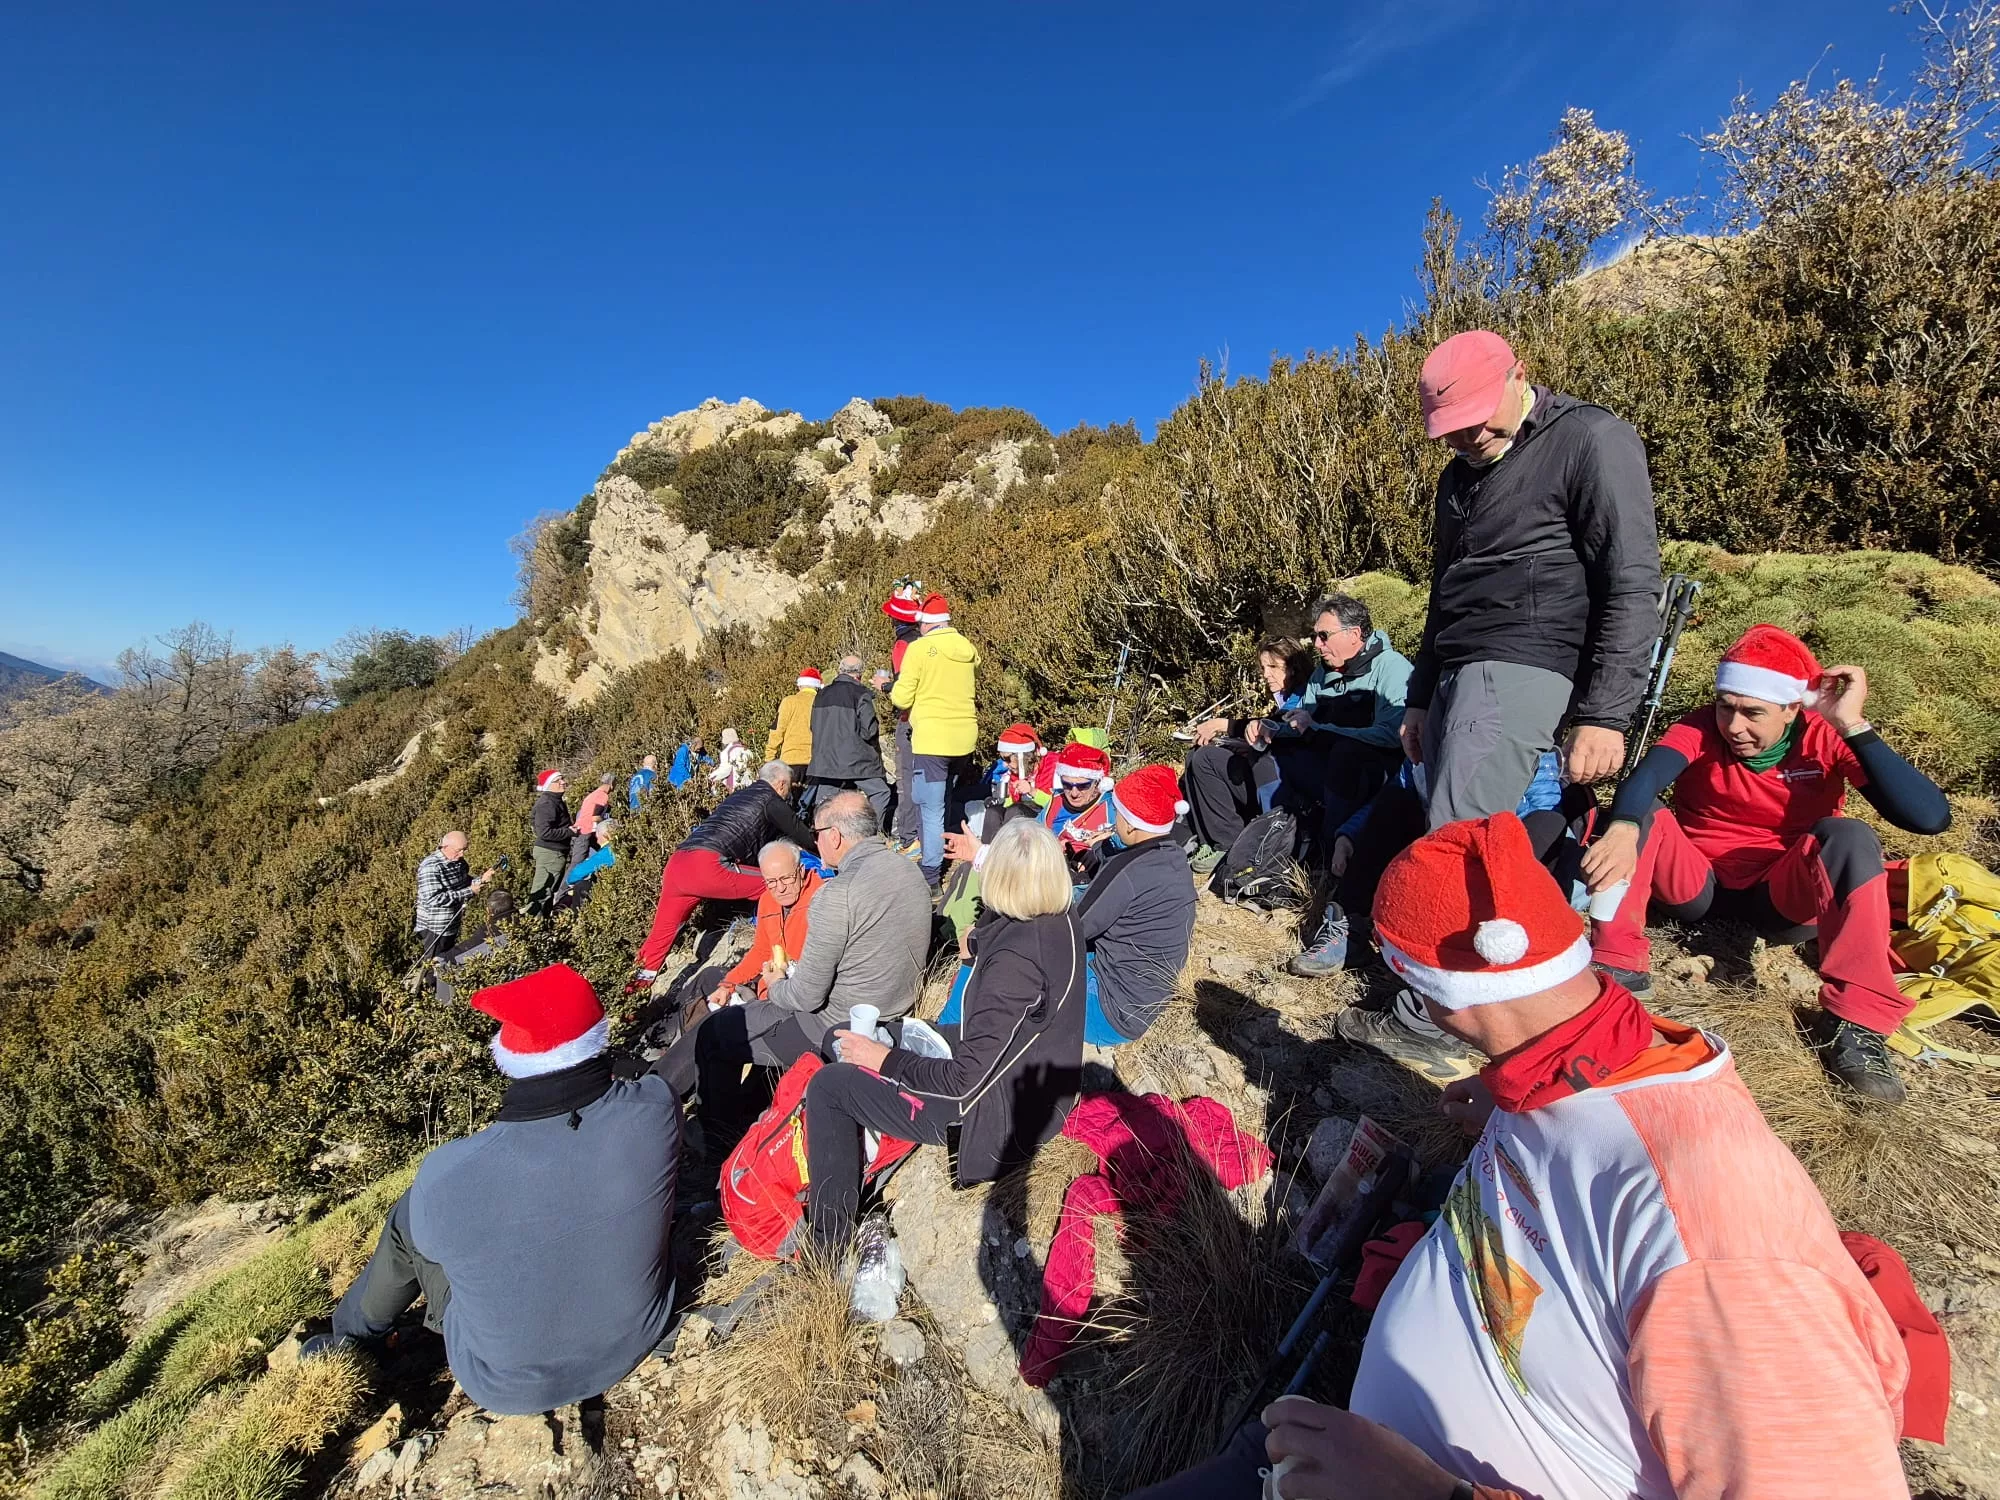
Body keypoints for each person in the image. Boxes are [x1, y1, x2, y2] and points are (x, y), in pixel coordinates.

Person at [1132, 815, 1912, 1500]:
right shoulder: (1579, 1056)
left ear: (1441, 996)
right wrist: (1512, 1098)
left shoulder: (1715, 1228)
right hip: (1343, 1446)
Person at [1580, 625, 1951, 1102]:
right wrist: (1625, 825)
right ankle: (1616, 964)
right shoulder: (1699, 728)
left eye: (1753, 712)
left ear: (1793, 708)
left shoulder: (1824, 738)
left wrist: (1853, 725)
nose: (1734, 726)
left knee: (1850, 836)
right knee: (1639, 814)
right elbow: (1647, 777)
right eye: (1725, 706)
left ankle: (1855, 1022)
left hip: (1782, 899)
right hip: (1699, 885)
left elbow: (1928, 817)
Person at [303, 964, 677, 1414]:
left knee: (410, 1223)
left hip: (509, 1384)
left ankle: (352, 1336)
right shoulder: (656, 1109)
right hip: (640, 1333)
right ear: (597, 1037)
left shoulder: (447, 1174)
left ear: (510, 1056)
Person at [1403, 330, 1663, 830]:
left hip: (1523, 656)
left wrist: (1603, 715)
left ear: (1518, 375)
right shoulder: (1456, 476)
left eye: (1476, 417)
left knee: (1456, 836)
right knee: (1450, 824)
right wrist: (1419, 697)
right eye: (1450, 428)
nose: (1465, 437)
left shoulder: (1588, 438)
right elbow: (1444, 589)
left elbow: (1629, 581)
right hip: (1456, 664)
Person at [809, 818, 1085, 1246]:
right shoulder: (1060, 915)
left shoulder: (1013, 968)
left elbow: (961, 1087)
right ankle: (861, 1142)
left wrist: (884, 1061)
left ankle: (828, 1242)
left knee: (830, 1084)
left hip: (992, 1115)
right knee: (843, 1035)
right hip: (1027, 1077)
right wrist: (977, 942)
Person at [691, 792, 931, 1156]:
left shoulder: (836, 895)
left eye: (817, 832)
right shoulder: (908, 870)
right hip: (897, 1006)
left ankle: (721, 1145)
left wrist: (776, 984)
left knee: (714, 1034)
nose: (815, 841)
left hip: (830, 1028)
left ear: (834, 837)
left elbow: (806, 997)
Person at [653, 839, 823, 1097]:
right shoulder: (769, 901)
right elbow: (761, 952)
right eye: (771, 881)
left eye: (786, 878)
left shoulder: (821, 902)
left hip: (788, 999)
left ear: (801, 870)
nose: (779, 888)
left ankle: (658, 1091)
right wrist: (729, 984)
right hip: (768, 985)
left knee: (716, 1023)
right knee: (710, 979)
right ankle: (662, 1043)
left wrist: (773, 983)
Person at [630, 763, 816, 984]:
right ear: (782, 783)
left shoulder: (739, 795)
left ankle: (633, 996)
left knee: (659, 937)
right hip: (708, 865)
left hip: (678, 862)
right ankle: (781, 947)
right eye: (788, 788)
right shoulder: (770, 799)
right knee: (773, 885)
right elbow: (800, 834)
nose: (788, 794)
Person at [1074, 763, 1197, 1045]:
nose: (1114, 820)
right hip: (1143, 1004)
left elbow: (1073, 928)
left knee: (1025, 964)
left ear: (1129, 823)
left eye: (1117, 813)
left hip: (1107, 1012)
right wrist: (1104, 849)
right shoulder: (1173, 858)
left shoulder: (1127, 870)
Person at [1182, 638, 1313, 868]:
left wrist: (1224, 725)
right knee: (1197, 754)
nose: (1266, 674)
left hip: (1281, 784)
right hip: (1268, 771)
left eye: (1273, 667)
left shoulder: (1303, 694)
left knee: (1206, 759)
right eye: (1263, 668)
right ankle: (1211, 841)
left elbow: (1277, 726)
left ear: (1293, 668)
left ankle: (1229, 844)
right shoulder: (1284, 696)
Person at [889, 592, 981, 887]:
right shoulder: (966, 647)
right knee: (945, 797)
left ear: (925, 624)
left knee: (930, 807)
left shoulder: (919, 648)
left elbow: (902, 697)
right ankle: (949, 849)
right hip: (964, 738)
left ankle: (930, 875)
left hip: (932, 740)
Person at [806, 655, 890, 819]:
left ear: (840, 670)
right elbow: (869, 731)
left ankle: (826, 835)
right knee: (881, 792)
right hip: (858, 761)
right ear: (859, 674)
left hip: (826, 761)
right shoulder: (861, 694)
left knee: (826, 803)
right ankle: (870, 833)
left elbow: (813, 727)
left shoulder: (821, 695)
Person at [881, 580, 925, 844]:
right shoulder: (926, 641)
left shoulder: (902, 645)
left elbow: (903, 688)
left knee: (906, 778)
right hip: (931, 719)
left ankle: (909, 836)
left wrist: (885, 686)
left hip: (909, 719)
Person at [413, 831, 497, 962]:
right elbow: (433, 899)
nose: (462, 854)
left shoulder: (459, 862)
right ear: (445, 847)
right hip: (435, 927)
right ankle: (430, 982)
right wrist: (470, 891)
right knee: (434, 963)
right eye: (459, 850)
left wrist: (482, 880)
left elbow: (466, 883)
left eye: (464, 850)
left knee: (446, 960)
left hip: (452, 923)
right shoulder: (431, 867)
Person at [1040, 742, 1115, 880]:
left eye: (1083, 786)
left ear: (1097, 783)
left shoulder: (1110, 806)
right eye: (1067, 785)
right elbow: (1033, 831)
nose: (1074, 793)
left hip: (1085, 881)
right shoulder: (1056, 800)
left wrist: (1098, 852)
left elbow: (1125, 843)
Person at [766, 668, 821, 794]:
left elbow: (777, 730)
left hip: (791, 761)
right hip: (815, 763)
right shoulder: (822, 702)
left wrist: (769, 757)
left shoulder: (789, 702)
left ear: (799, 684)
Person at [526, 769, 574, 913]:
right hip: (550, 854)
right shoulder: (547, 803)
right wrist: (570, 831)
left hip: (555, 853)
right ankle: (530, 927)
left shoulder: (554, 800)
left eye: (563, 778)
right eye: (558, 780)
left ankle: (543, 925)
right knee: (541, 895)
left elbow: (535, 823)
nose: (563, 782)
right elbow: (544, 832)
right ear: (548, 785)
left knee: (548, 893)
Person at [708, 728, 754, 792]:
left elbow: (725, 771)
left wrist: (711, 777)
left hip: (735, 787)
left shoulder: (726, 752)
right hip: (749, 786)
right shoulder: (747, 750)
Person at [575, 772, 615, 838]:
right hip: (587, 831)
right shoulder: (602, 795)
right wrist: (606, 823)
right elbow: (595, 817)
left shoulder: (594, 794)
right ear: (611, 784)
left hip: (579, 830)